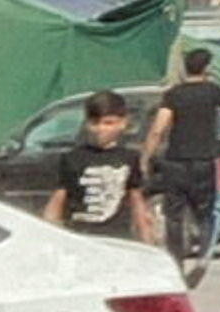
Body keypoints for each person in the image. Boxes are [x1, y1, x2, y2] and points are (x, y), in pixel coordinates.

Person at [145, 51, 220, 282]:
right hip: (204, 161)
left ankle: (176, 262)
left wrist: (146, 157)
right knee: (205, 212)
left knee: (174, 215)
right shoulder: (215, 92)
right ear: (208, 68)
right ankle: (203, 257)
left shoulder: (173, 95)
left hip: (175, 161)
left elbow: (158, 129)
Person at [54, 90, 149, 241]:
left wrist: (146, 238)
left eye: (108, 123)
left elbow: (136, 199)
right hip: (81, 235)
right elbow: (58, 199)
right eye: (95, 123)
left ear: (123, 123)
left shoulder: (129, 158)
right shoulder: (73, 158)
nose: (100, 129)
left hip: (117, 236)